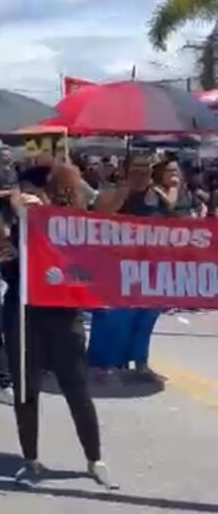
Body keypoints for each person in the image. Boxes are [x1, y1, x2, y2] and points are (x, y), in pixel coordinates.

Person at [0, 163, 118, 489]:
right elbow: (12, 272)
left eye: (27, 190)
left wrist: (38, 215)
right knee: (26, 391)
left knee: (76, 388)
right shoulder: (17, 220)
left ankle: (95, 458)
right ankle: (30, 459)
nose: (21, 196)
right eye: (21, 190)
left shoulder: (71, 222)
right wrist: (7, 255)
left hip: (64, 316)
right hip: (23, 314)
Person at [91, 153, 164, 383]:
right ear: (125, 170)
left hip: (150, 264)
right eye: (136, 169)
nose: (142, 174)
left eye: (146, 169)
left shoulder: (156, 195)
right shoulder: (112, 192)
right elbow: (99, 217)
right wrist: (123, 193)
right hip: (117, 264)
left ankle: (140, 362)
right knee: (115, 317)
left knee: (146, 315)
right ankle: (106, 365)